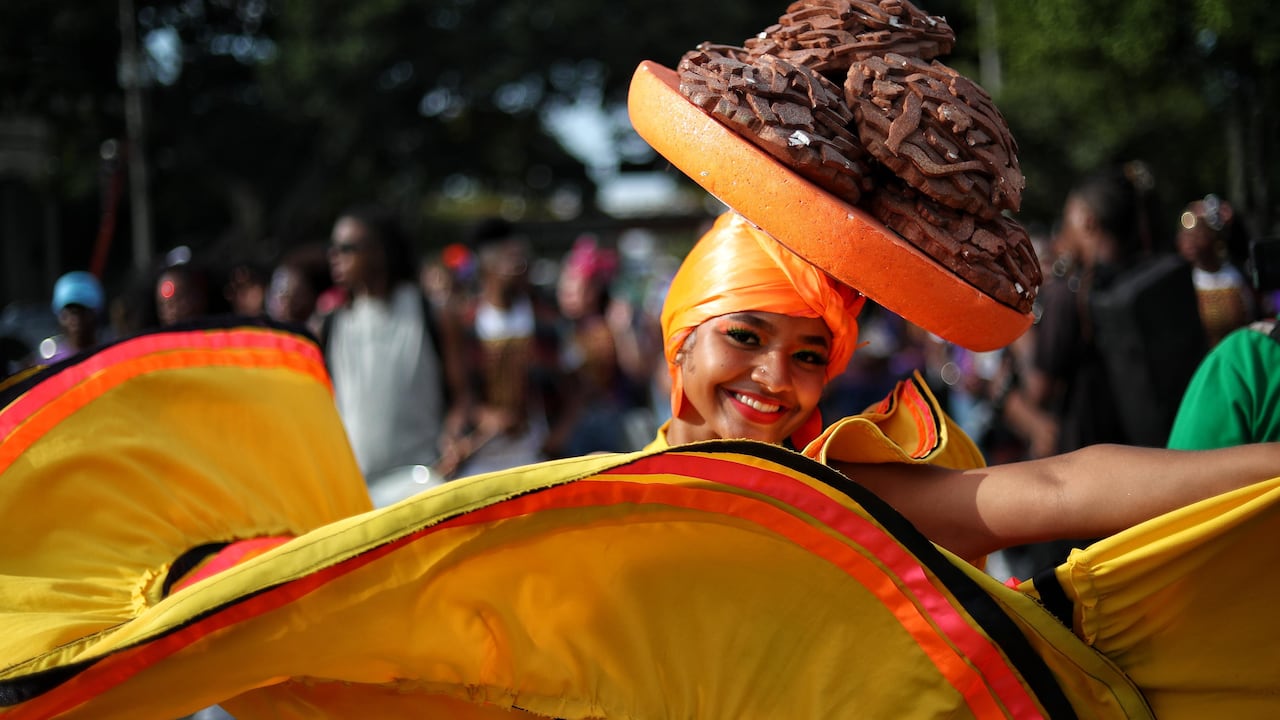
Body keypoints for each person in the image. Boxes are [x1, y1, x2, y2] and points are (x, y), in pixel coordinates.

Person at [649, 210, 1280, 564]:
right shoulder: (586, 506)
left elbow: (1058, 489)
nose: (777, 378)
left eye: (810, 354)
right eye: (744, 337)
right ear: (682, 337)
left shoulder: (836, 488)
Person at [322, 204, 466, 481]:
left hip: (421, 484)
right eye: (333, 248)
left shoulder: (433, 313)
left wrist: (454, 435)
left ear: (379, 251)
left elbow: (462, 397)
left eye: (346, 248)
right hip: (356, 491)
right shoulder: (330, 325)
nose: (334, 257)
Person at [1176, 193, 1256, 346]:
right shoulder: (1183, 283)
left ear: (1214, 237)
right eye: (1186, 235)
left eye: (1198, 233)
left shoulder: (1236, 277)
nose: (1191, 241)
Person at [39, 270, 106, 363]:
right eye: (69, 312)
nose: (75, 319)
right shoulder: (51, 366)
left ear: (95, 314)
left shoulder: (110, 358)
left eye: (82, 312)